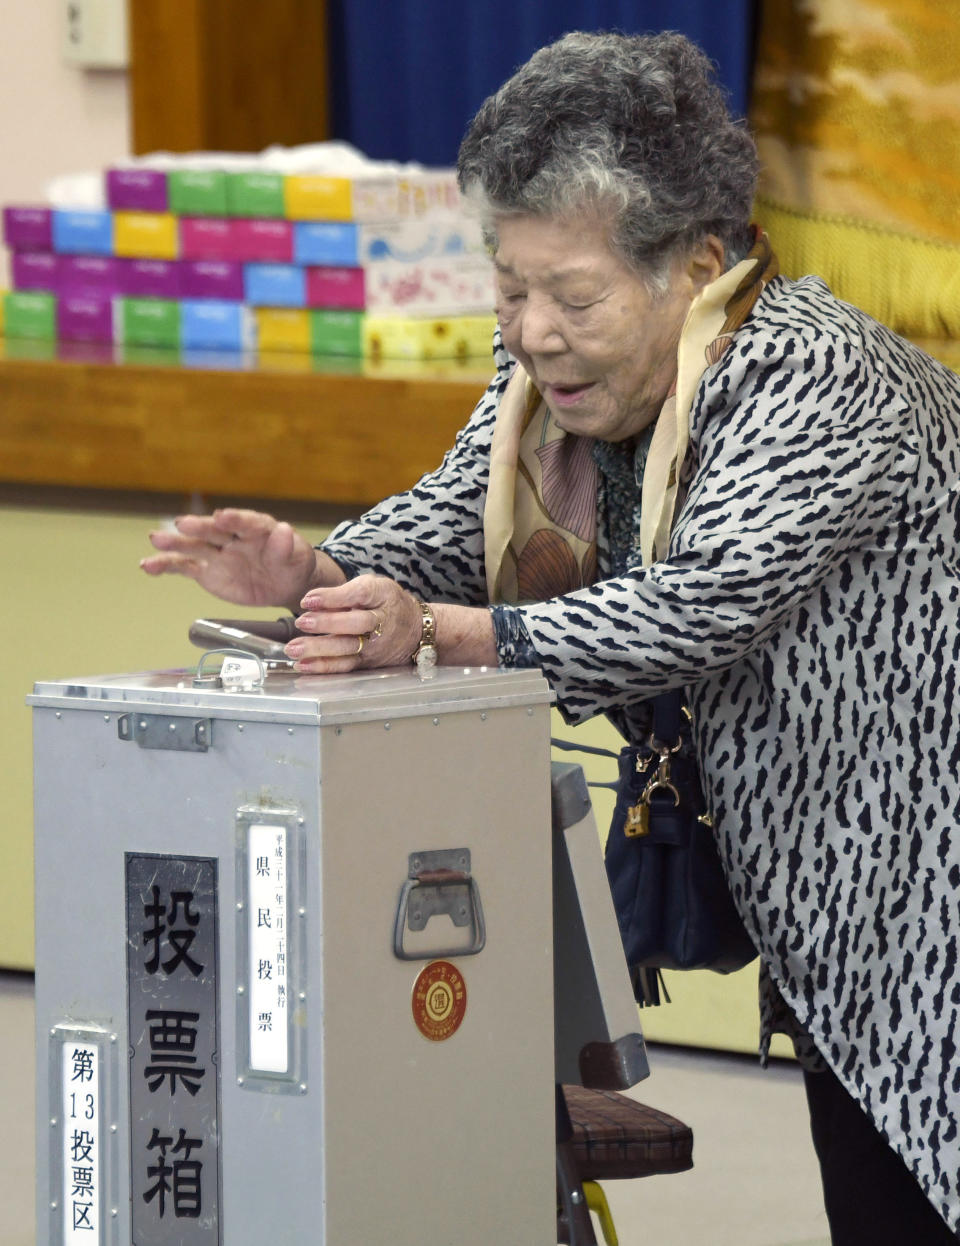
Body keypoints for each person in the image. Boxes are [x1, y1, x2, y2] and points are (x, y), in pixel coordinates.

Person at [141, 31, 960, 1243]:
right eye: (508, 288)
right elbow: (449, 525)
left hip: (925, 879)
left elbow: (698, 601)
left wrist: (458, 634)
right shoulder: (562, 379)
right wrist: (317, 570)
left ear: (698, 261)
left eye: (570, 295)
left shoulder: (816, 373)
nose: (529, 332)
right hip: (844, 908)